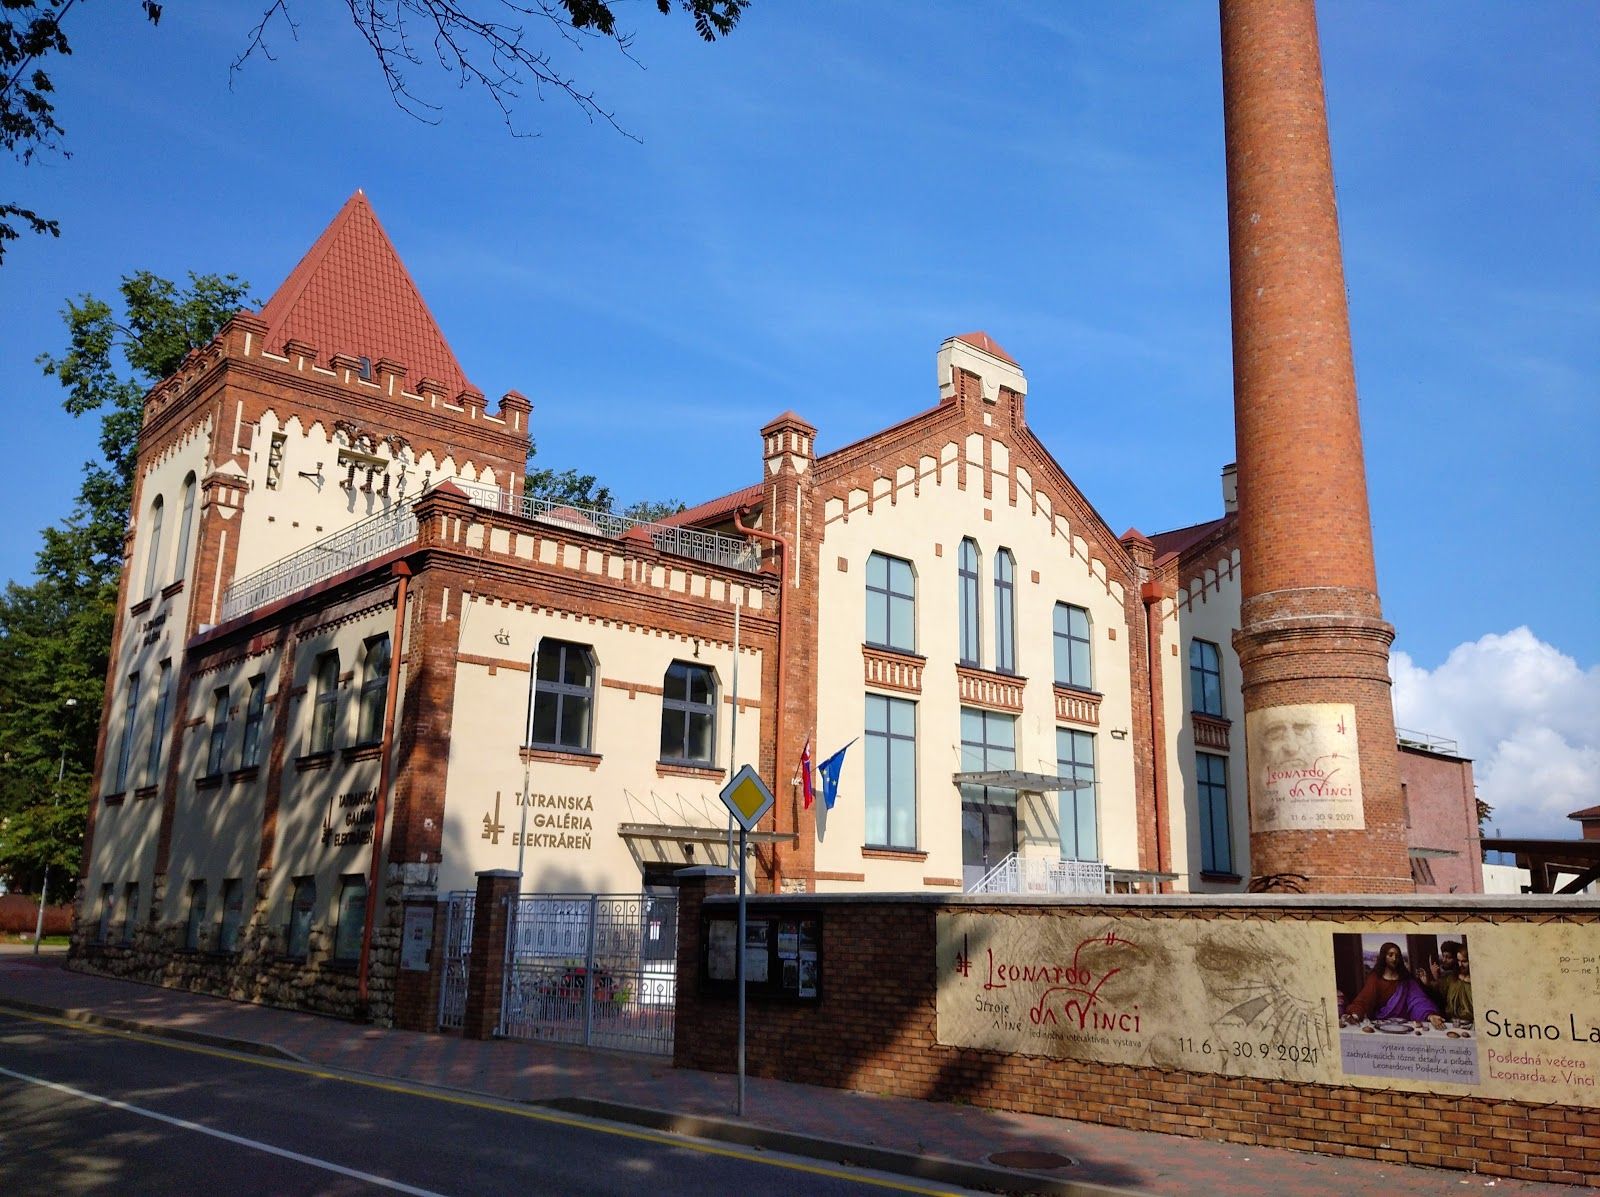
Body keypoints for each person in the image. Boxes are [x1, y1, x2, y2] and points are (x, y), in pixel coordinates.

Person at [1342, 941, 1444, 1027]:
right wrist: (1355, 1015)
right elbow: (1364, 1001)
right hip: (1381, 1024)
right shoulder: (1375, 979)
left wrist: (1430, 1015)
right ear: (1383, 957)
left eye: (1397, 956)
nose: (1394, 959)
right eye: (1390, 955)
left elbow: (1418, 1000)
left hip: (1405, 1025)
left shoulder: (1406, 979)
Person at [1433, 941, 1473, 1021]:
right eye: (1459, 961)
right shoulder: (1452, 978)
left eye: (1464, 961)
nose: (1460, 964)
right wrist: (1435, 978)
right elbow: (1441, 995)